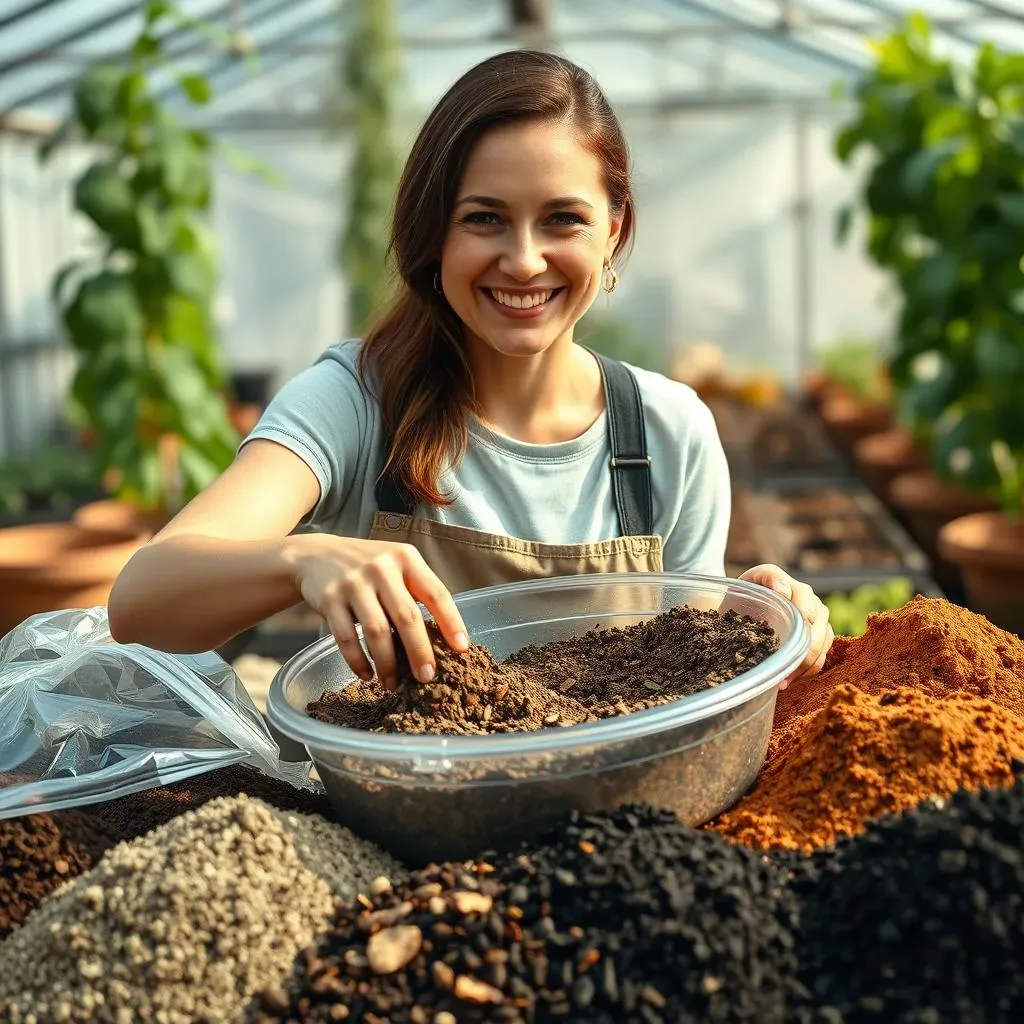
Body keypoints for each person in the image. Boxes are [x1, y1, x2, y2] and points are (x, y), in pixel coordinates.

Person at [108, 49, 833, 690]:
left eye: (562, 220)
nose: (523, 260)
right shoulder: (358, 401)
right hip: (408, 827)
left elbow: (687, 700)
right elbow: (142, 601)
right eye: (484, 218)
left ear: (613, 229)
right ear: (436, 233)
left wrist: (756, 621)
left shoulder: (667, 431)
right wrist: (304, 557)